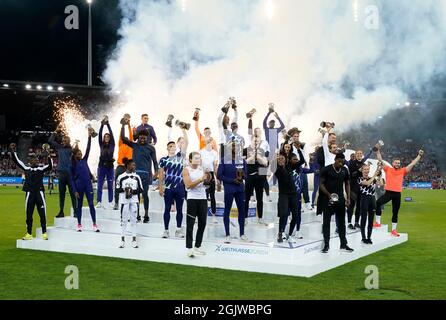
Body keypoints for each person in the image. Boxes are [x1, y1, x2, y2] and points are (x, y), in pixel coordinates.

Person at [374, 146, 424, 236]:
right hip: (388, 193)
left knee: (395, 212)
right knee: (378, 203)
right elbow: (380, 159)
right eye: (396, 162)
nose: (397, 164)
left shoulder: (403, 171)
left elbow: (412, 164)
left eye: (399, 163)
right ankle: (378, 223)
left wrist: (419, 156)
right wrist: (377, 150)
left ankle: (394, 230)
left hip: (397, 194)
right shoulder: (388, 169)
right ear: (393, 163)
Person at [9, 143, 52, 240]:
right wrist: (13, 151)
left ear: (37, 160)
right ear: (29, 161)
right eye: (32, 159)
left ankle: (44, 233)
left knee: (42, 214)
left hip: (39, 194)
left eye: (35, 159)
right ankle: (29, 233)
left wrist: (48, 155)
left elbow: (50, 166)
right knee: (29, 214)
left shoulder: (41, 169)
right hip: (29, 194)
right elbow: (17, 161)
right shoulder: (26, 168)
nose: (34, 160)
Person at [121, 117, 159, 223]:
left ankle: (146, 215)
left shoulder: (151, 148)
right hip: (134, 174)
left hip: (146, 174)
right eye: (141, 137)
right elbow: (123, 138)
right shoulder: (134, 145)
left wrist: (156, 172)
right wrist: (123, 125)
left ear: (147, 137)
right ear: (138, 137)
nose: (142, 138)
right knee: (135, 195)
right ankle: (136, 215)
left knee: (145, 194)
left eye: (144, 137)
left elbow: (155, 162)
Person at [319, 153, 353, 253]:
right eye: (339, 161)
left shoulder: (344, 170)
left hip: (341, 200)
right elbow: (320, 184)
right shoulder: (326, 169)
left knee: (342, 223)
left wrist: (348, 198)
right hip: (328, 199)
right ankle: (326, 245)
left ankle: (343, 244)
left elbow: (347, 183)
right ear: (335, 159)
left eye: (342, 161)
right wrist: (329, 195)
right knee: (326, 223)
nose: (341, 163)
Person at [158, 127, 188, 239]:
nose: (172, 147)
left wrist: (184, 129)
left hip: (180, 187)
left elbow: (186, 143)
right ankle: (166, 230)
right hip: (168, 188)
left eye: (174, 146)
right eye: (170, 146)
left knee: (179, 209)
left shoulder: (180, 156)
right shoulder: (163, 160)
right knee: (167, 209)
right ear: (167, 148)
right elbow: (161, 174)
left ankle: (178, 230)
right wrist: (161, 187)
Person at [217, 140, 248, 243]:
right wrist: (231, 180)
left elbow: (246, 176)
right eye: (233, 146)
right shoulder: (224, 160)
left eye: (237, 146)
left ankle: (242, 234)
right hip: (229, 189)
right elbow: (219, 175)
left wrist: (242, 175)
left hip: (240, 189)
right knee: (227, 210)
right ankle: (227, 234)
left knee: (242, 211)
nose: (235, 148)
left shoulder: (242, 161)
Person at [70, 128, 100, 232]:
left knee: (91, 204)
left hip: (88, 185)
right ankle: (79, 224)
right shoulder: (72, 165)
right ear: (74, 155)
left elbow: (88, 148)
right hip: (79, 187)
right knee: (79, 206)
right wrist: (75, 191)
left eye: (81, 153)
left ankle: (94, 224)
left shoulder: (84, 160)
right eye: (78, 153)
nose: (80, 154)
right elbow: (71, 180)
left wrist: (89, 137)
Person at [274, 151, 306, 243]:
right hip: (283, 194)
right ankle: (280, 232)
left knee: (296, 216)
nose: (281, 160)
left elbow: (302, 161)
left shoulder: (290, 166)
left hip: (293, 194)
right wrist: (274, 158)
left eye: (282, 158)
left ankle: (290, 235)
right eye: (279, 159)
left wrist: (299, 149)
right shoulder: (277, 169)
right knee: (284, 214)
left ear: (286, 160)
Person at [183, 152, 209, 257]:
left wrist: (208, 182)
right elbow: (188, 185)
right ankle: (189, 248)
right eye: (196, 158)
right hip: (192, 199)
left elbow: (205, 184)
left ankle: (197, 247)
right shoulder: (186, 170)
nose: (198, 160)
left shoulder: (202, 169)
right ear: (190, 160)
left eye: (199, 158)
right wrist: (200, 180)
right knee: (190, 224)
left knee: (202, 223)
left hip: (203, 198)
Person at [48, 128, 77, 218]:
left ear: (69, 141)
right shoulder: (59, 147)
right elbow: (50, 141)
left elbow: (77, 153)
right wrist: (55, 132)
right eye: (63, 140)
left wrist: (76, 145)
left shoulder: (71, 149)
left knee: (73, 193)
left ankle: (76, 211)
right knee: (61, 194)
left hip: (69, 174)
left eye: (65, 140)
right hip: (61, 174)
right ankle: (61, 211)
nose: (63, 141)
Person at [116, 158, 143, 249]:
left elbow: (141, 189)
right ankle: (122, 240)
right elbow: (117, 189)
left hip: (134, 201)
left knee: (134, 220)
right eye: (133, 165)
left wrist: (132, 191)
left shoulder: (137, 177)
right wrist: (124, 190)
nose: (134, 167)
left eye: (134, 165)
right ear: (128, 166)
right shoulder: (121, 177)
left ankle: (134, 240)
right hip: (124, 202)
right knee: (123, 221)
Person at [244, 135, 269, 225]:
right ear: (251, 140)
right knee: (246, 199)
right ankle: (245, 218)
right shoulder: (245, 150)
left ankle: (260, 218)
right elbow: (244, 163)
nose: (256, 143)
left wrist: (258, 157)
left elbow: (266, 163)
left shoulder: (262, 151)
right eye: (254, 141)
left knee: (260, 199)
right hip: (249, 177)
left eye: (258, 141)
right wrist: (252, 157)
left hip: (259, 178)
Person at [347, 148, 373, 230]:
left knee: (359, 206)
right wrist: (359, 170)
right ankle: (349, 222)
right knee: (351, 206)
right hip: (352, 188)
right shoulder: (351, 163)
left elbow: (365, 174)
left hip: (361, 188)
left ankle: (356, 222)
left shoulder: (363, 163)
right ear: (355, 154)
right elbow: (352, 175)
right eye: (357, 153)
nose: (359, 155)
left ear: (362, 155)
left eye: (360, 153)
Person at [288, 127, 312, 211]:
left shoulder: (302, 144)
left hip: (301, 166)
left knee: (304, 184)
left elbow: (304, 154)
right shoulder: (289, 146)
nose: (296, 138)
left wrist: (306, 163)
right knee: (297, 186)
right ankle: (299, 204)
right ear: (291, 137)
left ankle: (307, 203)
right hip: (293, 167)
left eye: (297, 136)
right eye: (294, 136)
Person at [114, 114, 134, 210]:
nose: (125, 139)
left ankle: (128, 202)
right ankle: (116, 203)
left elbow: (130, 135)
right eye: (124, 138)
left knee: (129, 184)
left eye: (127, 139)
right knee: (117, 185)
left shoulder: (131, 145)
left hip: (128, 167)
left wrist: (129, 125)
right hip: (120, 166)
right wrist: (123, 125)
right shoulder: (120, 144)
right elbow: (120, 136)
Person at [358, 163, 382, 244]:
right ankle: (363, 237)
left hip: (372, 199)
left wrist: (379, 175)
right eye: (365, 169)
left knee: (371, 220)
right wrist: (374, 175)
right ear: (362, 170)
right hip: (364, 199)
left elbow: (381, 184)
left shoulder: (372, 178)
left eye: (368, 169)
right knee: (364, 219)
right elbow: (367, 183)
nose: (366, 171)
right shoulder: (359, 178)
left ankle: (369, 237)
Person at [96, 116, 115, 209]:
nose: (107, 137)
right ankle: (99, 202)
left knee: (110, 185)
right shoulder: (101, 144)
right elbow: (99, 134)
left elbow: (111, 133)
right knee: (99, 185)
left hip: (110, 167)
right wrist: (102, 125)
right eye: (105, 136)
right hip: (101, 167)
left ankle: (111, 202)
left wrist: (108, 124)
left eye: (108, 136)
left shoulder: (112, 145)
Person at [199, 137, 219, 224]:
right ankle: (200, 216)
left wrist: (217, 178)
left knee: (212, 195)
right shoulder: (201, 152)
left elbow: (215, 166)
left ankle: (214, 215)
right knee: (203, 196)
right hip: (203, 174)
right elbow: (199, 165)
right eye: (207, 141)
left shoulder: (215, 153)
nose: (209, 143)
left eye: (210, 141)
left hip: (211, 174)